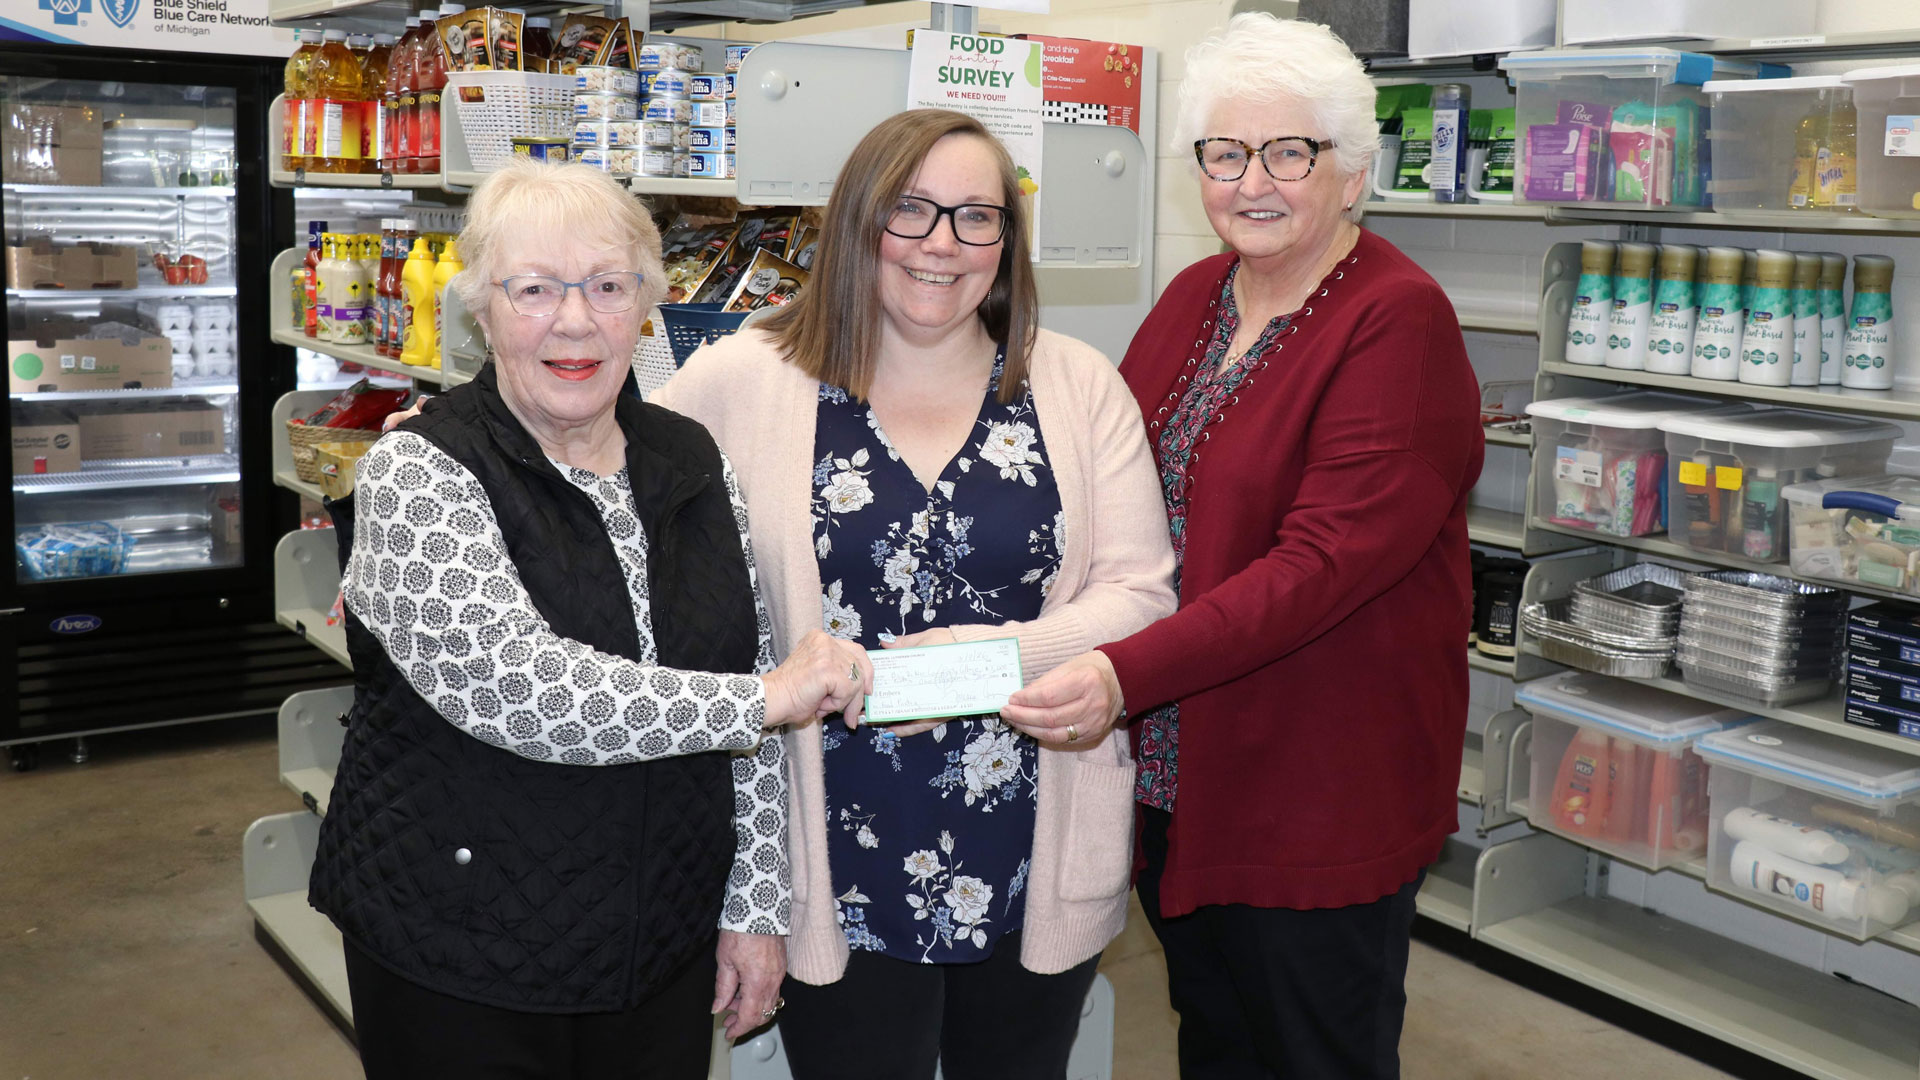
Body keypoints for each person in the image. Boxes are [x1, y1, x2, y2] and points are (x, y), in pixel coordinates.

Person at [307, 159, 873, 1080]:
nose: (575, 321)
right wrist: (763, 698)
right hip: (462, 947)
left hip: (659, 943)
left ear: (645, 304)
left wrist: (755, 907)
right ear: (481, 310)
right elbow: (521, 688)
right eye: (534, 289)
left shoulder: (688, 456)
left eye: (609, 287)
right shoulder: (421, 470)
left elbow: (749, 676)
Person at [1004, 15, 1485, 1079]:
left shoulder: (1398, 323)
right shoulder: (1194, 299)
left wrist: (1118, 672)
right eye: (1224, 153)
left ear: (1352, 173)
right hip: (1185, 769)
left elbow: (1320, 569)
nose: (1250, 181)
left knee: (1314, 1051)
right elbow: (1110, 491)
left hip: (1317, 783)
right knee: (1217, 1039)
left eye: (1288, 152)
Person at [654, 108, 1176, 1080]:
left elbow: (1142, 594)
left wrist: (995, 662)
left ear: (1007, 243)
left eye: (977, 216)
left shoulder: (1075, 384)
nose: (943, 244)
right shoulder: (746, 379)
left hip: (1031, 839)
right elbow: (620, 501)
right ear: (858, 221)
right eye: (912, 210)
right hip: (829, 853)